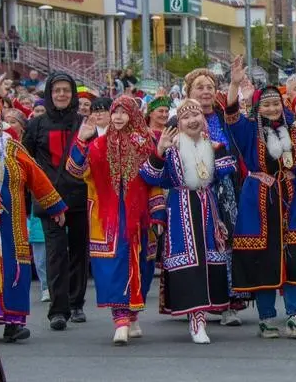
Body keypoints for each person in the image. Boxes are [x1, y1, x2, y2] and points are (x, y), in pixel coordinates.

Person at [224, 57, 296, 339]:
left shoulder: (294, 132)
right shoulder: (248, 131)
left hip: (290, 201)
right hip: (257, 201)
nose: (271, 108)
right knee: (263, 260)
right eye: (266, 104)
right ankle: (267, 319)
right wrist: (234, 83)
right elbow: (231, 114)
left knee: (294, 258)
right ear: (258, 108)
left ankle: (294, 316)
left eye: (276, 104)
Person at [66, 97, 164, 345]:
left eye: (124, 112)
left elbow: (153, 181)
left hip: (139, 216)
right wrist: (81, 139)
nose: (118, 117)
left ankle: (132, 316)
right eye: (115, 112)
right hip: (107, 217)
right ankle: (120, 320)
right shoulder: (98, 145)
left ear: (133, 114)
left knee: (141, 264)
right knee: (112, 265)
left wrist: (158, 213)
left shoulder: (145, 144)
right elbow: (75, 170)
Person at [139, 99, 237, 344]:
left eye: (196, 116)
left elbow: (228, 169)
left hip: (208, 208)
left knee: (210, 258)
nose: (192, 120)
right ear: (178, 123)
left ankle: (204, 314)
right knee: (190, 261)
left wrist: (219, 147)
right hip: (181, 208)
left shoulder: (211, 145)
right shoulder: (171, 149)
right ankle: (196, 321)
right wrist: (159, 151)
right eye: (186, 117)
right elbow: (149, 176)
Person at [0, 99, 67, 343]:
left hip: (11, 224)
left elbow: (36, 176)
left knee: (13, 267)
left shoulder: (12, 148)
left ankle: (13, 323)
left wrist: (55, 206)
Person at [22, 73, 89, 332]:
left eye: (66, 90)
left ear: (73, 94)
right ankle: (58, 311)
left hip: (80, 197)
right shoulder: (36, 125)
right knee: (56, 253)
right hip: (49, 199)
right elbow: (26, 162)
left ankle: (76, 303)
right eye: (57, 90)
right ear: (49, 94)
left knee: (79, 251)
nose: (61, 94)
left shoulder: (83, 123)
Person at [184, 67, 245, 326]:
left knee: (225, 241)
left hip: (225, 189)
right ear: (188, 92)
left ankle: (227, 302)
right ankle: (195, 303)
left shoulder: (221, 117)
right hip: (192, 192)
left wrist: (235, 83)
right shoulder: (180, 121)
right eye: (200, 87)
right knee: (196, 243)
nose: (206, 91)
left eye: (209, 87)